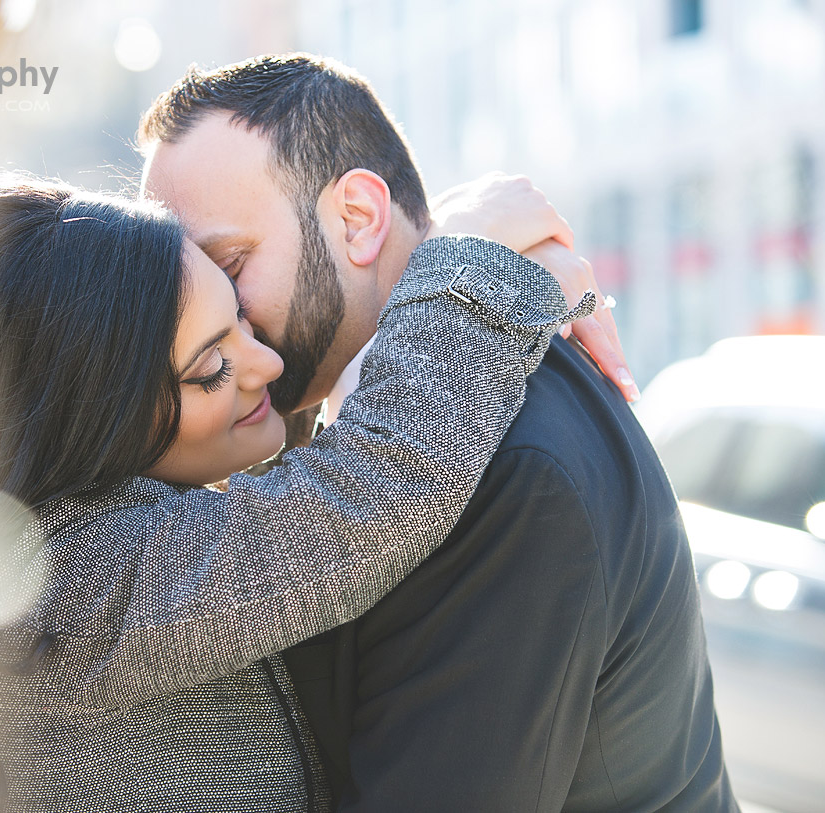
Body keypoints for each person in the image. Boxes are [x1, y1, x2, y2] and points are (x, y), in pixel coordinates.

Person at [135, 53, 738, 810]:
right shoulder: (385, 401)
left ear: (358, 218)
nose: (207, 315)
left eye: (227, 265)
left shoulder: (503, 464)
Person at [0, 176, 587, 811]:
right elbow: (373, 491)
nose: (270, 363)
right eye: (213, 364)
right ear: (92, 420)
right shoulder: (66, 591)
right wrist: (471, 256)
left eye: (243, 320)